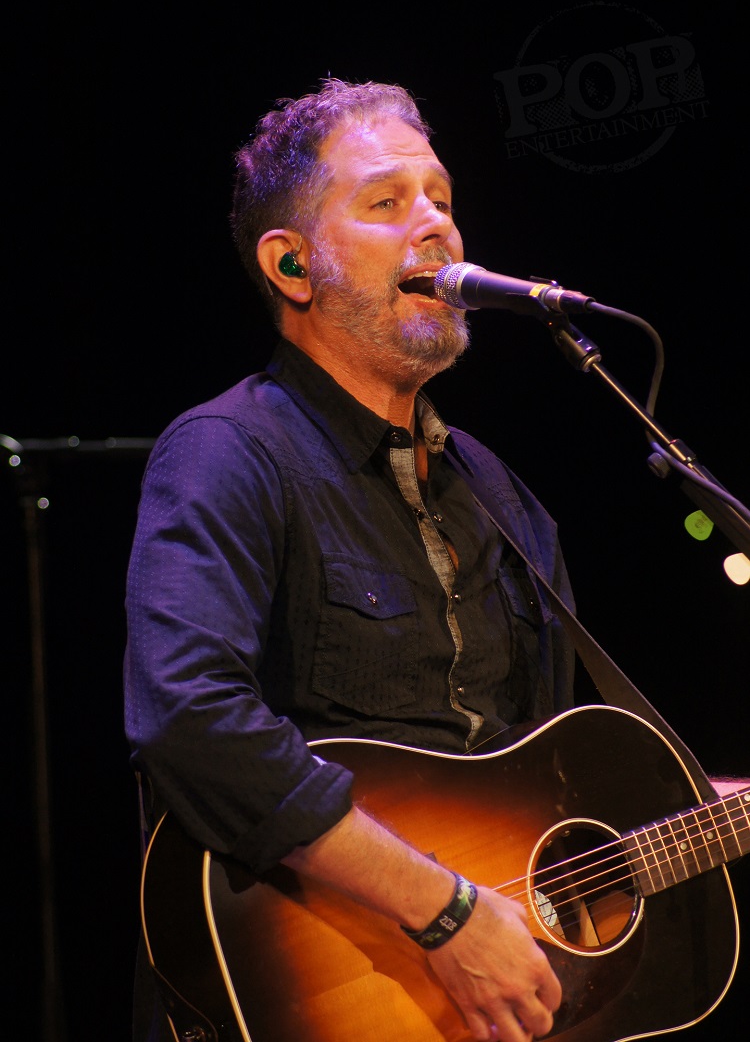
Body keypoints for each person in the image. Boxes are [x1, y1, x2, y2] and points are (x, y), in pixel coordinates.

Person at [123, 77, 744, 1042]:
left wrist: (694, 824)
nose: (437, 226)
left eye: (443, 199)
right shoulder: (229, 453)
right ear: (293, 265)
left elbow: (543, 788)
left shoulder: (503, 497)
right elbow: (188, 717)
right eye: (387, 201)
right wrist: (444, 911)